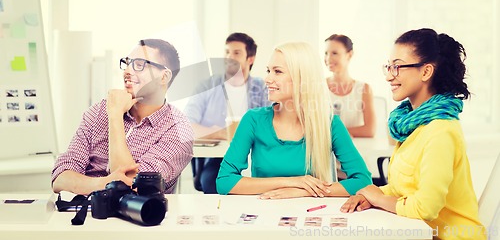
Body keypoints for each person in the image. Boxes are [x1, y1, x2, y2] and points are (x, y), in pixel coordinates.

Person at [340, 28, 486, 240]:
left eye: (397, 67)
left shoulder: (441, 131)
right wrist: (372, 194)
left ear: (426, 72)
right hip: (421, 232)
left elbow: (426, 208)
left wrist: (379, 199)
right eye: (388, 66)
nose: (389, 75)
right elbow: (404, 189)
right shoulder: (412, 125)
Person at [216, 42, 372, 198]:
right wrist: (292, 182)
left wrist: (302, 192)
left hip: (311, 214)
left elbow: (363, 181)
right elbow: (225, 181)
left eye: (277, 72)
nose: (267, 79)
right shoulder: (253, 120)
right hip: (265, 212)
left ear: (302, 79)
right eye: (268, 70)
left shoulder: (329, 124)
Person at [52, 39, 194, 195]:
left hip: (135, 216)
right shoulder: (98, 111)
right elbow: (60, 178)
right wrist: (105, 183)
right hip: (84, 214)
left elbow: (132, 186)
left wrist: (115, 117)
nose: (127, 71)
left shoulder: (179, 130)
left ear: (164, 77)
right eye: (127, 63)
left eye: (139, 65)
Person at [184, 32, 270, 194]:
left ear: (250, 59)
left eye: (236, 53)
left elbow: (273, 125)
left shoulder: (263, 88)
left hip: (256, 158)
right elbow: (187, 126)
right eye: (227, 52)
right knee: (213, 183)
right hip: (219, 160)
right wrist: (224, 133)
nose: (229, 57)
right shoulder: (207, 86)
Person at [324, 34, 376, 138]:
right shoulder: (319, 87)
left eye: (334, 53)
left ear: (349, 55)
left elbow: (370, 130)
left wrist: (335, 132)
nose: (328, 58)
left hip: (356, 148)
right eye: (326, 53)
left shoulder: (364, 89)